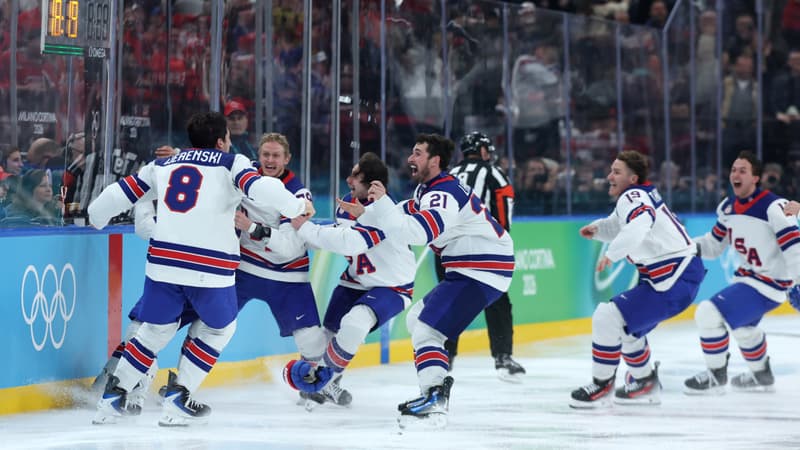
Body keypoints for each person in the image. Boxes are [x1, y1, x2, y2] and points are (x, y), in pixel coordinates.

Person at [87, 111, 312, 426]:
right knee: (219, 328)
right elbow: (262, 189)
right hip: (210, 267)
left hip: (162, 265)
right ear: (222, 141)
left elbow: (118, 194)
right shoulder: (231, 163)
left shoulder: (163, 165)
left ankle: (114, 395)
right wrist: (296, 206)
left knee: (153, 331)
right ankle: (180, 396)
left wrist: (95, 215)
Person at [294, 134, 514, 428]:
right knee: (419, 322)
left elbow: (420, 233)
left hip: (479, 266)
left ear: (435, 161)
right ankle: (433, 393)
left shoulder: (442, 192)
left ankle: (434, 396)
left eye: (418, 153)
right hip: (476, 266)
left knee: (426, 329)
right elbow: (405, 211)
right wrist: (369, 212)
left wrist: (380, 205)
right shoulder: (430, 189)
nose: (411, 159)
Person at [569, 150, 705, 408]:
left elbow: (639, 224)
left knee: (606, 316)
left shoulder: (633, 196)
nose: (609, 176)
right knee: (626, 326)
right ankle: (645, 382)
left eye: (616, 172)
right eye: (611, 170)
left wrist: (612, 254)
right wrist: (598, 230)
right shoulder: (635, 197)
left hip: (674, 277)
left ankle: (601, 385)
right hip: (676, 276)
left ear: (633, 179)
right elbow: (619, 225)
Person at [288, 152, 416, 408]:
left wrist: (305, 228)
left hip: (391, 285)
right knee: (327, 336)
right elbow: (339, 235)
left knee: (355, 324)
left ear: (373, 184)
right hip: (354, 280)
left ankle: (322, 381)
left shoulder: (385, 211)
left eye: (356, 176)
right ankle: (329, 383)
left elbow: (349, 241)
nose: (348, 179)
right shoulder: (347, 203)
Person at [683, 151, 800, 395]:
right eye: (734, 169)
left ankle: (716, 375)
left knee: (708, 312)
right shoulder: (727, 208)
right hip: (749, 279)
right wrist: (685, 248)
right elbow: (714, 246)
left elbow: (794, 247)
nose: (735, 174)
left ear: (755, 178)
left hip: (770, 284)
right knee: (744, 329)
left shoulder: (774, 207)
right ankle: (761, 374)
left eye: (742, 170)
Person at [437, 131, 525, 382]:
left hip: (448, 249)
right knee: (497, 300)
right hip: (482, 249)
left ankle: (444, 356)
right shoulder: (494, 172)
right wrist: (501, 242)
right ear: (483, 151)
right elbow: (503, 207)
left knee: (449, 300)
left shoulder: (449, 175)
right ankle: (503, 358)